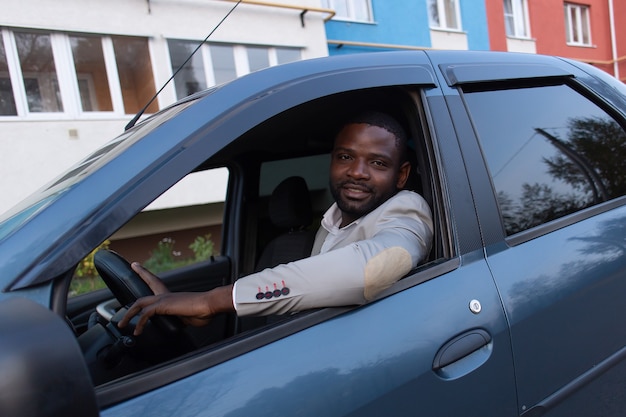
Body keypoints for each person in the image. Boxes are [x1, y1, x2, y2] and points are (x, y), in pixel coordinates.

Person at [119, 110, 434, 335]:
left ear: (402, 174)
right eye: (345, 157)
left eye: (378, 163)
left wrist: (210, 301)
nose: (357, 172)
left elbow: (372, 270)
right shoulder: (330, 222)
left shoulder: (408, 209)